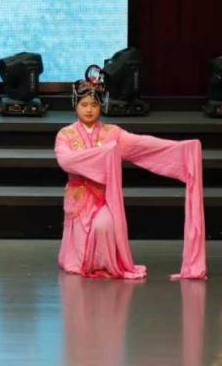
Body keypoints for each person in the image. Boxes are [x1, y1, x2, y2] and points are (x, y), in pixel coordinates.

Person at [55, 65, 206, 280]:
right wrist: (103, 154)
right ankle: (82, 262)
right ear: (75, 105)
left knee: (104, 225)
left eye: (94, 105)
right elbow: (66, 161)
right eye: (84, 104)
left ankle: (104, 264)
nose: (89, 110)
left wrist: (181, 149)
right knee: (78, 256)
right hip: (79, 199)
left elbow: (143, 144)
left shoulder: (112, 133)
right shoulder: (65, 134)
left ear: (101, 106)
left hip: (103, 198)